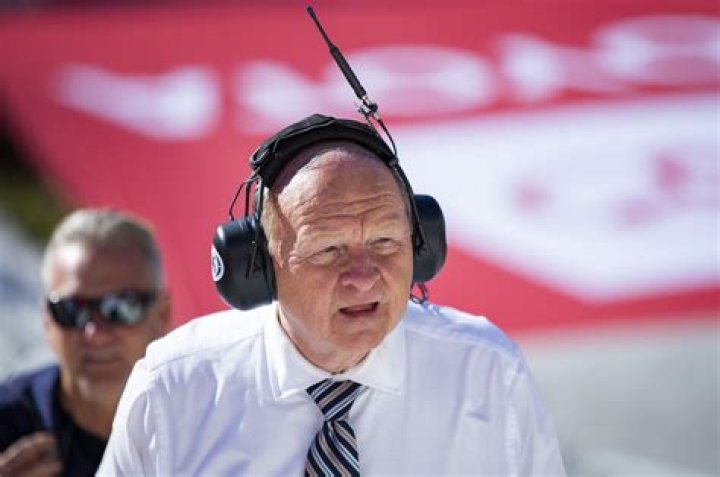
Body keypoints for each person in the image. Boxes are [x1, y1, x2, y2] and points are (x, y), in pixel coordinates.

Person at [99, 114, 566, 475]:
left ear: (420, 245)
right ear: (260, 266)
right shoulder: (172, 388)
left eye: (385, 241)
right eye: (328, 250)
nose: (363, 277)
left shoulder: (487, 370)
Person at [0, 208, 170, 477]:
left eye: (122, 307)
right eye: (72, 310)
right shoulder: (7, 428)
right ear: (47, 318)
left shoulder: (208, 421)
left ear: (162, 314)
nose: (95, 332)